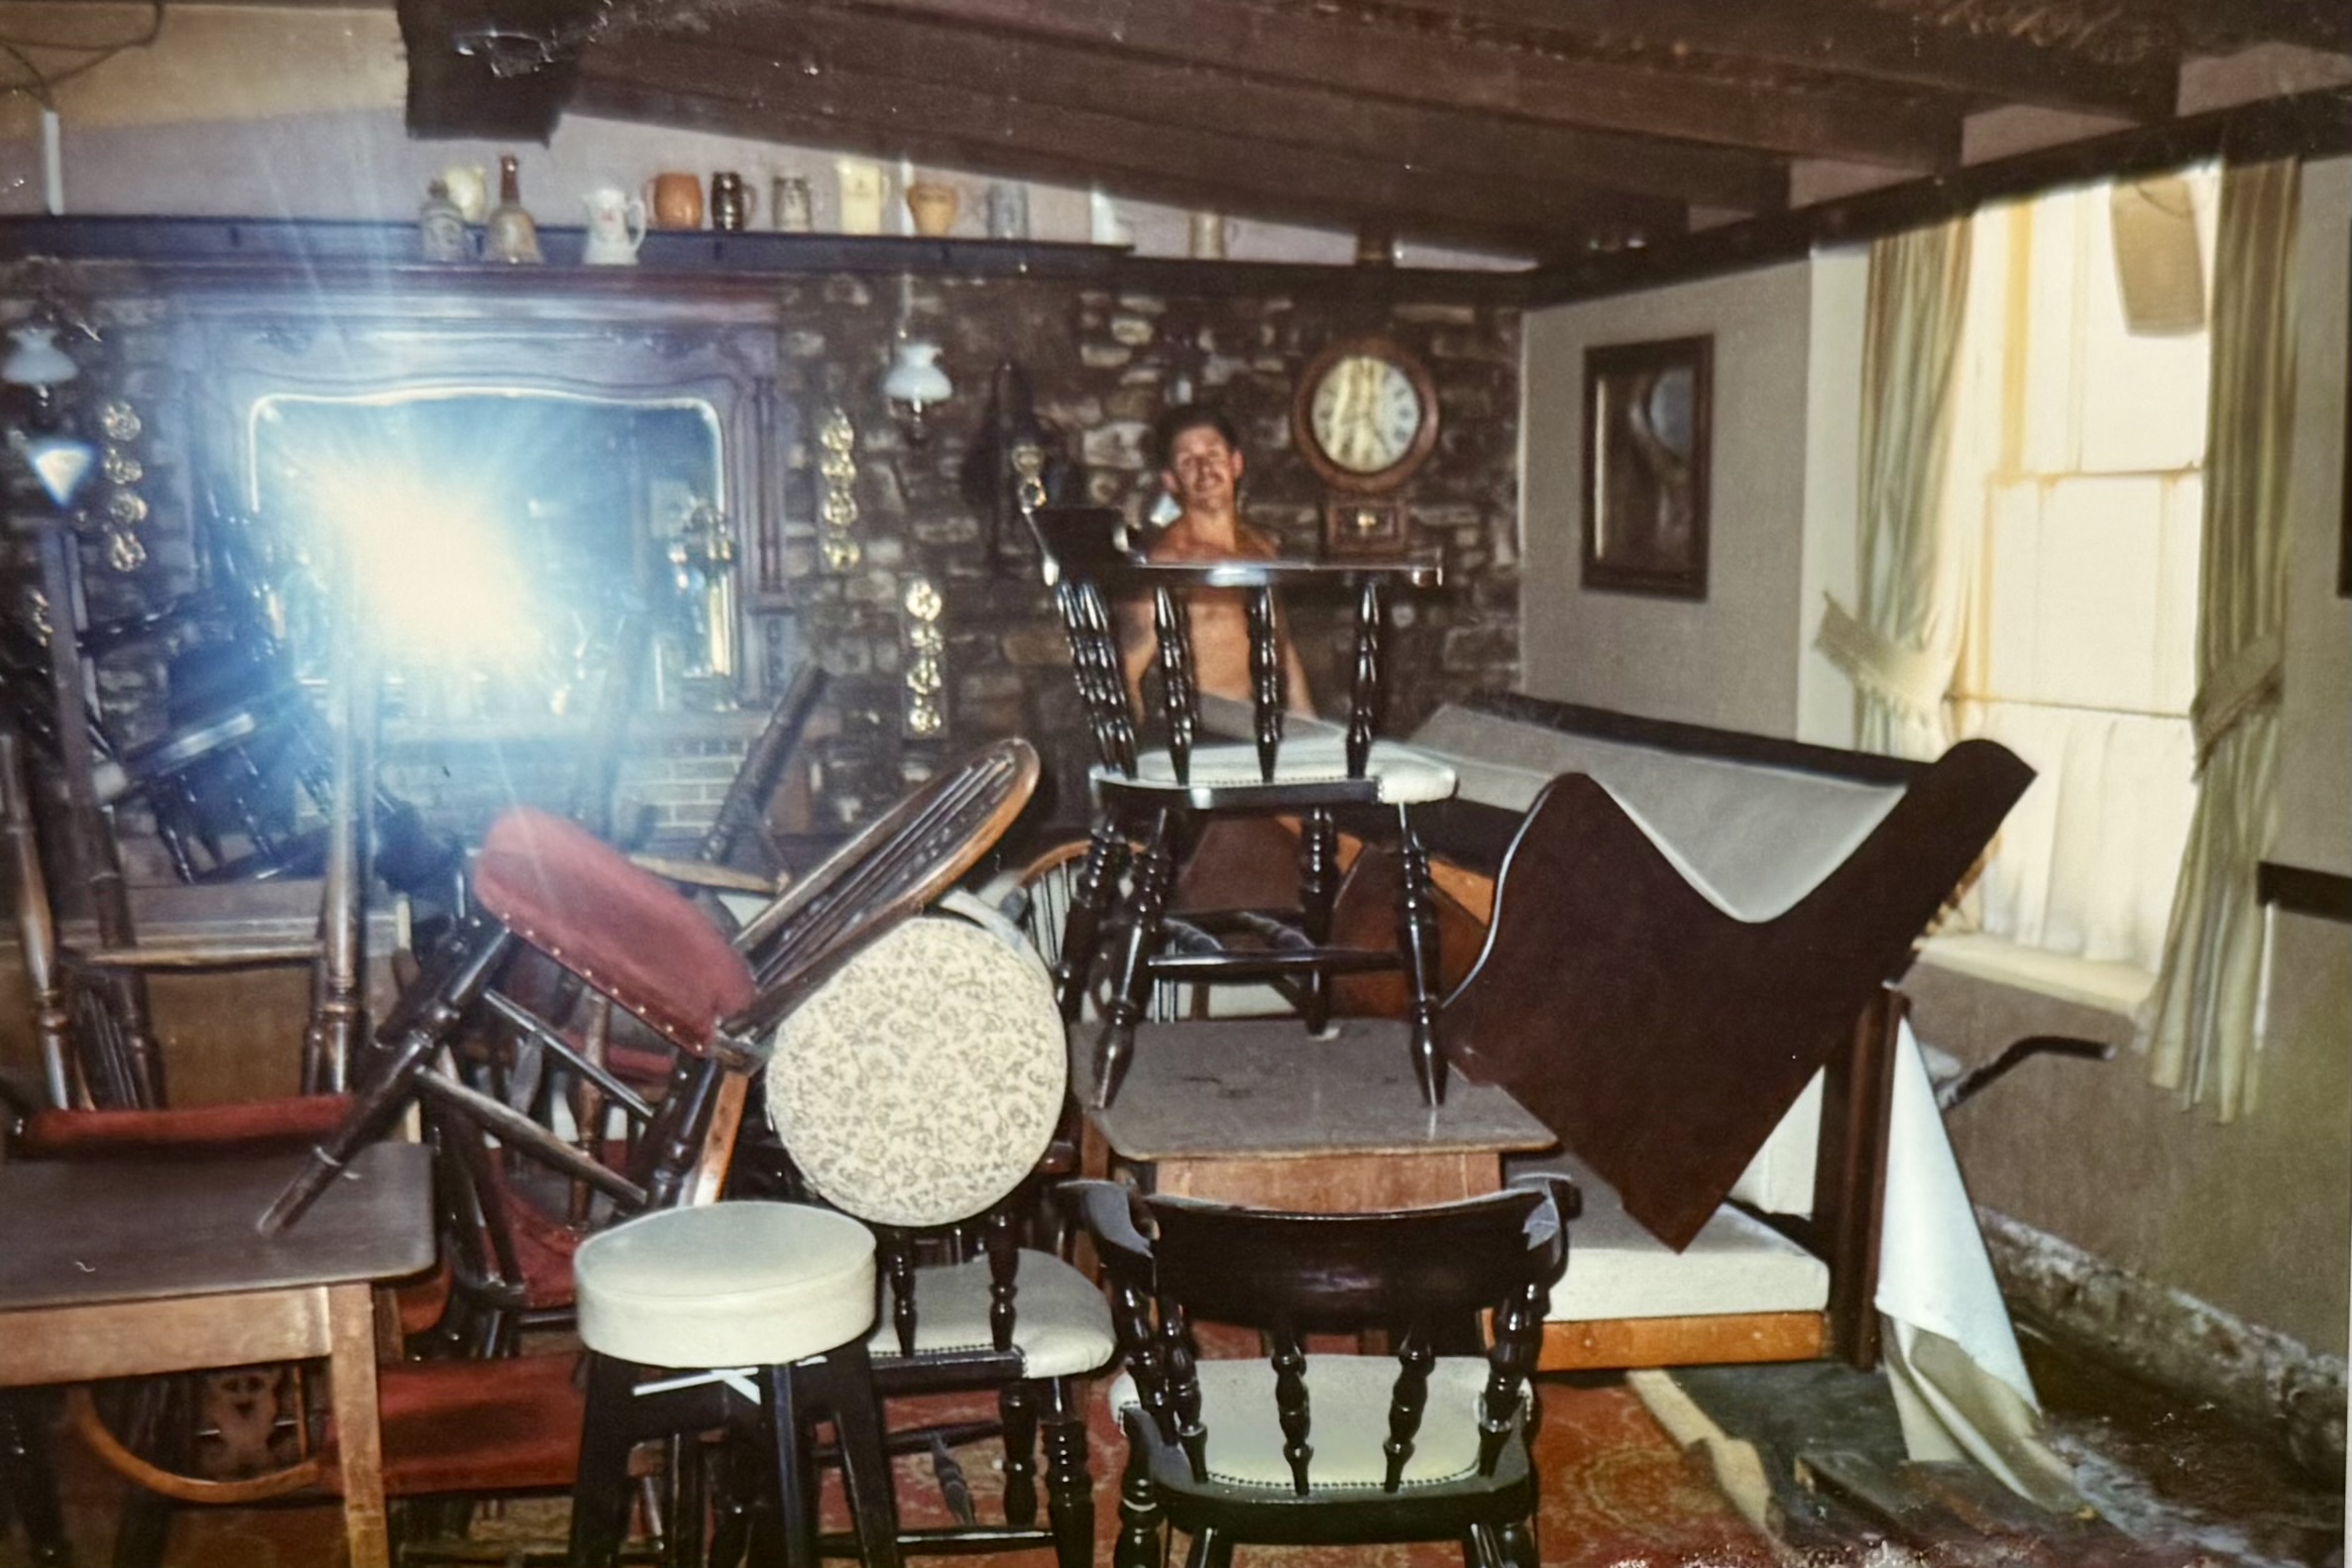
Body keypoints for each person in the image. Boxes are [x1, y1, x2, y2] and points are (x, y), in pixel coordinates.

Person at [1120, 405, 1314, 717]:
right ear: (1171, 481)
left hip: (1264, 719)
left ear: (1236, 464)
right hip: (1204, 725)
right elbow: (1127, 672)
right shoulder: (1169, 564)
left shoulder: (1261, 547)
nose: (1204, 469)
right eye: (1187, 461)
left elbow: (1282, 644)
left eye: (1213, 454)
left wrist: (1309, 725)